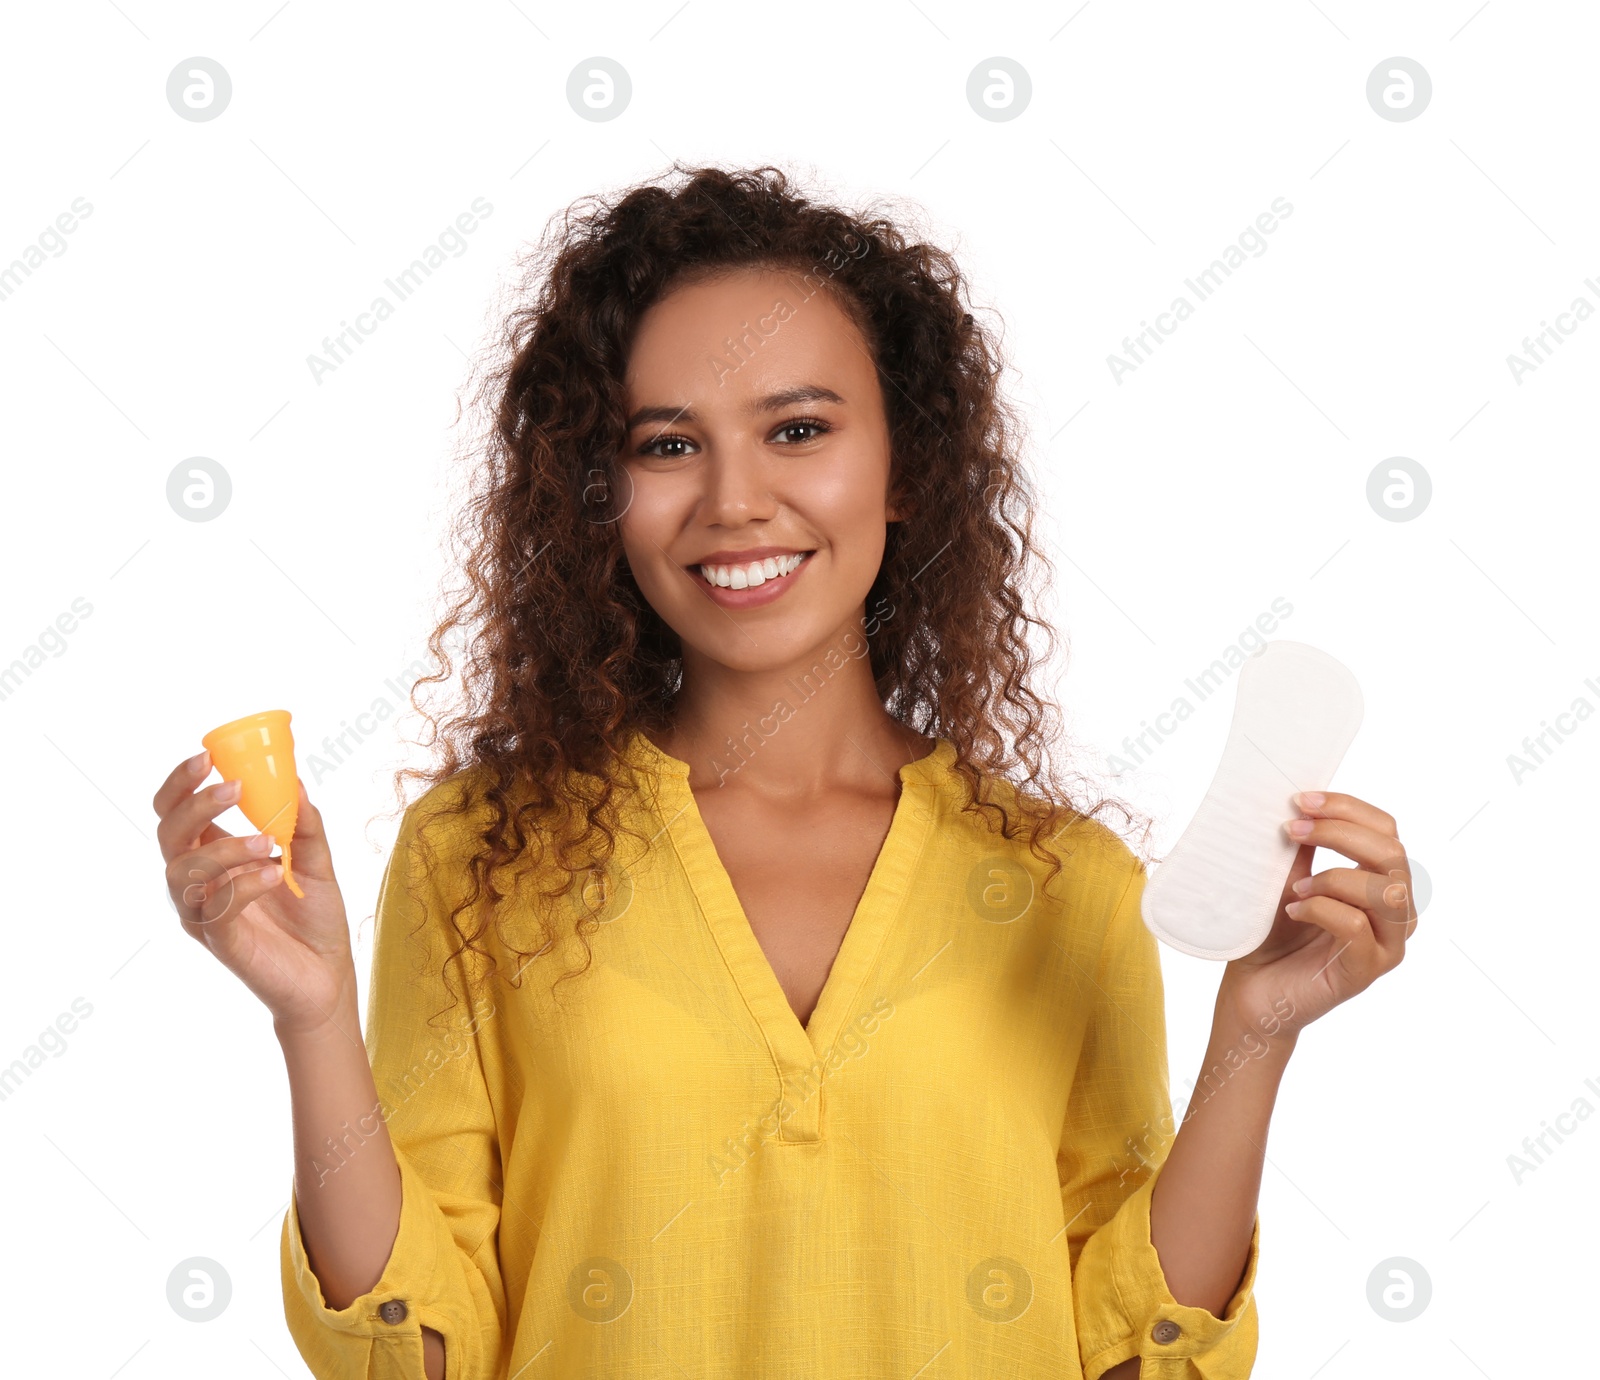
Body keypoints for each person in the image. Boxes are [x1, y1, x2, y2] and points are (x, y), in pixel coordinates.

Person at [153, 164, 1415, 1380]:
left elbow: (1128, 1355)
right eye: (665, 447)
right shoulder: (483, 854)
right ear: (601, 494)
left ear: (906, 466)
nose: (734, 501)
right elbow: (422, 1352)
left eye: (797, 429)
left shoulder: (1063, 887)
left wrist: (1252, 1036)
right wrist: (311, 1022)